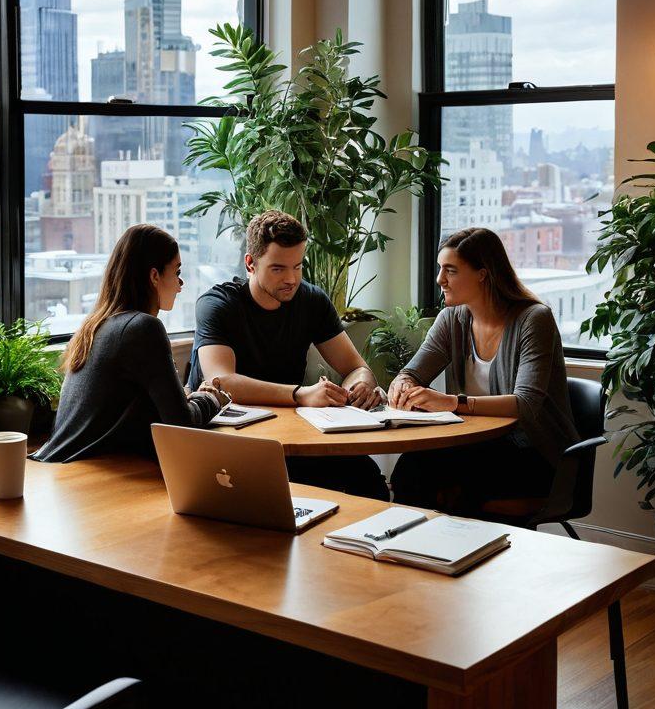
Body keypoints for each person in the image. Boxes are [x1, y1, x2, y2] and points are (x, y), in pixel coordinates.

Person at [187, 209, 389, 500]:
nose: (291, 279)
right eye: (278, 268)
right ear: (250, 264)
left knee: (367, 478)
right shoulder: (217, 305)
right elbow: (222, 382)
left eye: (298, 266)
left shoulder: (311, 300)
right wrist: (300, 394)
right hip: (228, 442)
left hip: (289, 438)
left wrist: (360, 386)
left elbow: (356, 367)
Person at [388, 227, 579, 514]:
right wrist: (402, 384)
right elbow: (413, 372)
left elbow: (525, 405)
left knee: (453, 482)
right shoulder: (452, 318)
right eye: (441, 269)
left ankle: (450, 552)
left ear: (483, 273)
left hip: (533, 453)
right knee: (411, 467)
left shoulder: (533, 319)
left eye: (450, 270)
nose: (440, 280)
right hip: (478, 444)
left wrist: (452, 403)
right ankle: (407, 552)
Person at [33, 224, 229, 463]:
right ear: (154, 276)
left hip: (67, 473)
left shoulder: (96, 325)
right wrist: (211, 399)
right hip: (94, 476)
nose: (181, 284)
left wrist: (186, 399)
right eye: (177, 272)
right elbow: (182, 424)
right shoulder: (143, 328)